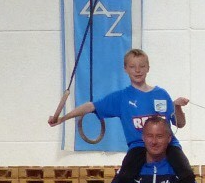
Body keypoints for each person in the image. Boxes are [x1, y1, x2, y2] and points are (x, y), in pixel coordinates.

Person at [50, 46, 188, 148]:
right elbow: (90, 106)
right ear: (125, 69)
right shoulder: (121, 98)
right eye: (132, 67)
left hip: (169, 146)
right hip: (139, 147)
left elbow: (180, 124)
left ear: (148, 68)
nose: (138, 70)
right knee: (125, 176)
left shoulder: (161, 94)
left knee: (186, 173)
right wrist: (62, 118)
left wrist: (177, 107)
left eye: (142, 66)